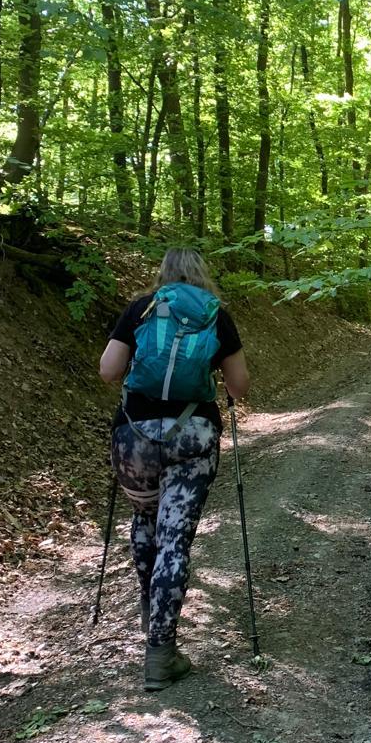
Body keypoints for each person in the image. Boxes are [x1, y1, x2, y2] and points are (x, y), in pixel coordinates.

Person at [98, 248, 250, 691]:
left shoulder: (141, 308)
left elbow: (109, 371)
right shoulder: (215, 314)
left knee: (145, 520)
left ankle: (151, 610)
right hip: (193, 436)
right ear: (202, 274)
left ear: (163, 273)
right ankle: (161, 654)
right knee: (175, 540)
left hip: (134, 437)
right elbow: (239, 387)